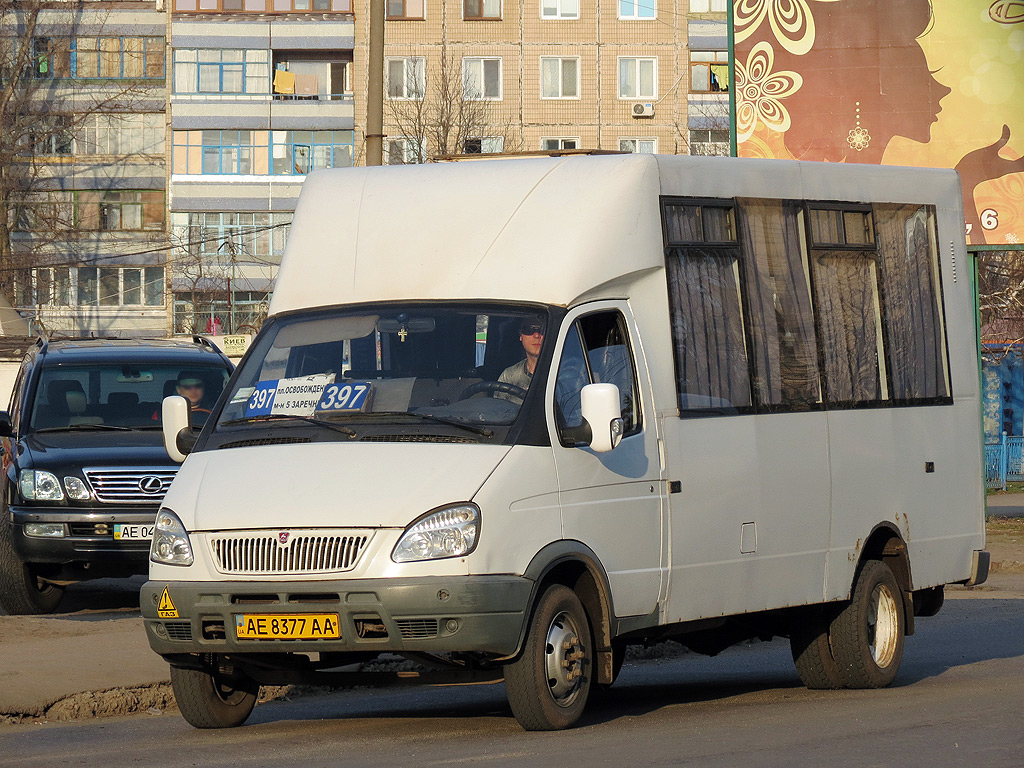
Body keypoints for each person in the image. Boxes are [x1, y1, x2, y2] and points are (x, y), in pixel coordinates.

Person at [497, 317, 545, 399]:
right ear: (520, 335)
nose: (536, 335)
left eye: (542, 330)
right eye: (528, 330)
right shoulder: (508, 377)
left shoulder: (565, 376)